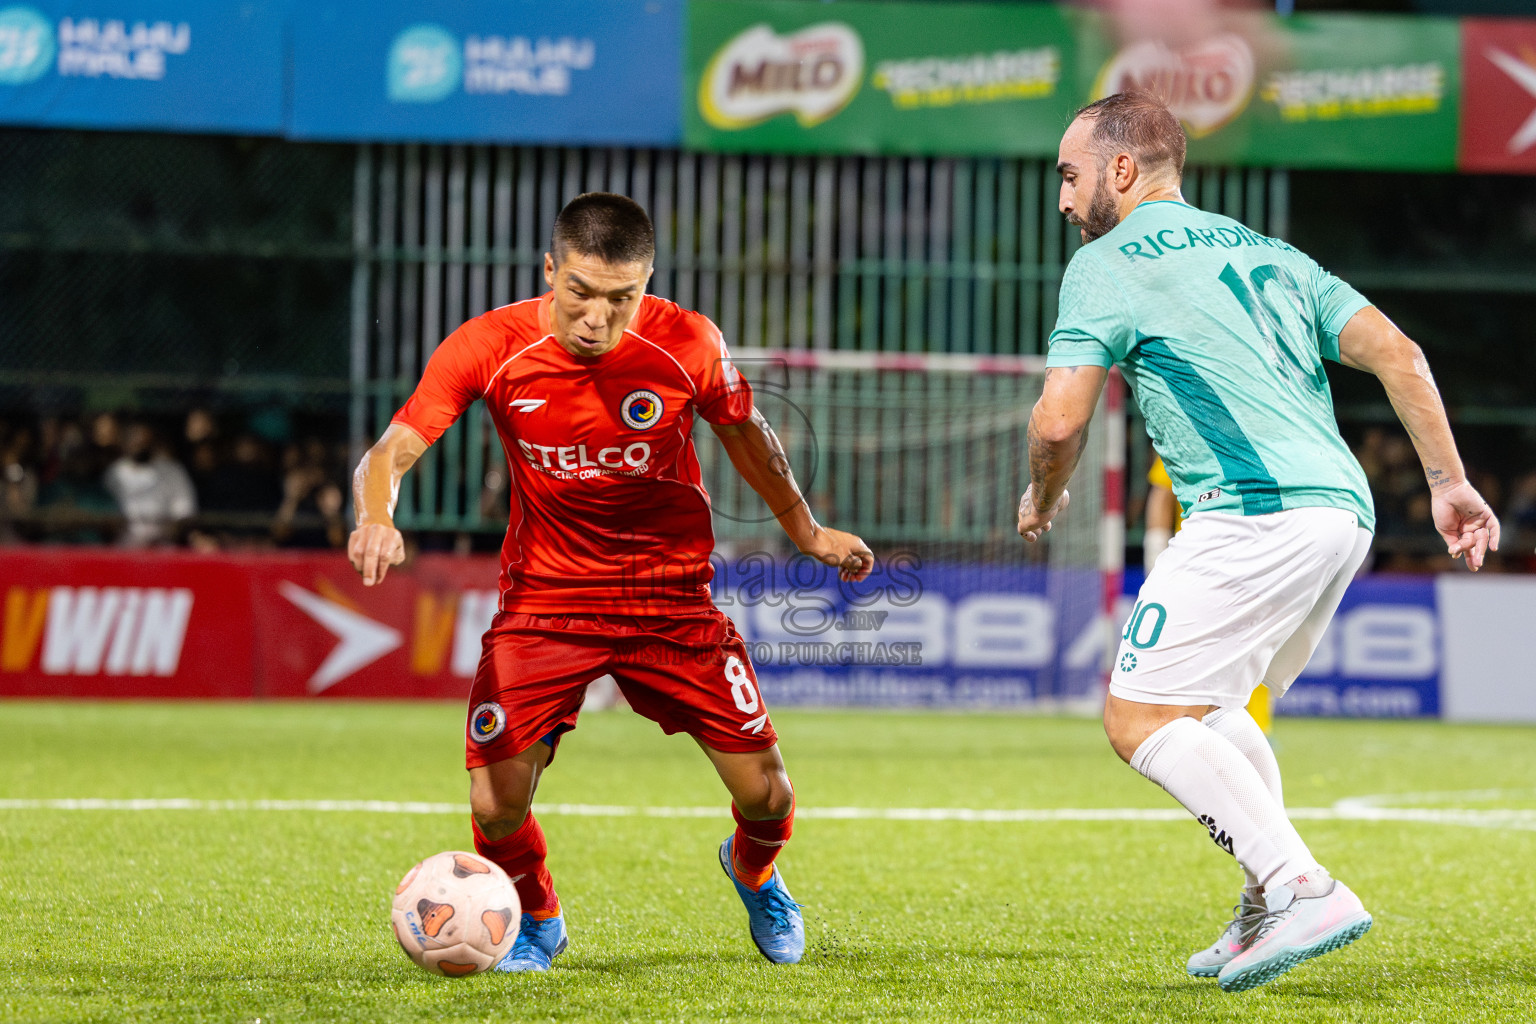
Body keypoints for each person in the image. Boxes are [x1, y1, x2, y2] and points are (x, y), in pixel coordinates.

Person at [1017, 93, 1499, 992]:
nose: (1064, 200)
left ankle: (1298, 884)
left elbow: (1057, 420)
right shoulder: (1268, 251)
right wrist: (1448, 484)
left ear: (1122, 171)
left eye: (1070, 176)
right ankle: (1261, 901)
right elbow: (1401, 352)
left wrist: (1042, 497)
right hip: (1340, 514)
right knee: (1212, 708)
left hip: (1253, 511)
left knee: (1139, 718)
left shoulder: (1108, 262)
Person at [348, 192, 873, 971]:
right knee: (495, 804)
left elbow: (749, 438)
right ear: (550, 270)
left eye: (621, 299)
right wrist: (375, 514)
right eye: (581, 294)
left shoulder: (686, 343)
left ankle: (755, 871)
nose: (597, 318)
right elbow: (391, 448)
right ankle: (536, 915)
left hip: (669, 598)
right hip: (547, 600)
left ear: (648, 282)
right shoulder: (489, 345)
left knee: (770, 797)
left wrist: (807, 531)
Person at [1145, 454, 1272, 733]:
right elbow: (1162, 493)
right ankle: (1187, 723)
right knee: (1193, 646)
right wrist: (1155, 549)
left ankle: (1256, 728)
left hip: (1253, 555)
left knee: (1254, 644)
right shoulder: (1188, 421)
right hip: (1198, 560)